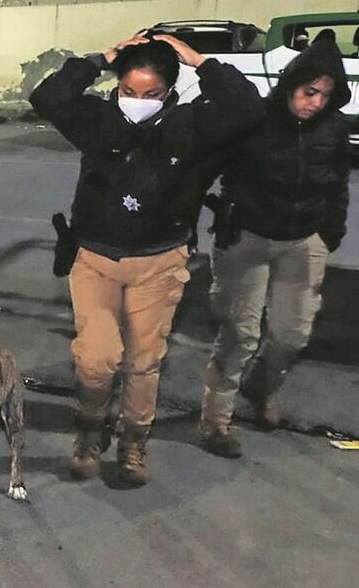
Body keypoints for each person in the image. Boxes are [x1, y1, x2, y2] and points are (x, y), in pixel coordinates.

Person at [30, 33, 263, 487]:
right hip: (94, 258)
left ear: (171, 91)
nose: (138, 102)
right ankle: (88, 433)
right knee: (97, 360)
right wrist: (102, 58)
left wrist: (199, 60)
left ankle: (132, 443)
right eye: (128, 92)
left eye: (151, 94)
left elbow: (248, 109)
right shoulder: (96, 120)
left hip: (160, 262)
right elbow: (48, 96)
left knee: (142, 362)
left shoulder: (194, 126)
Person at [199, 40, 351, 458]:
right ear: (290, 85)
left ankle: (260, 387)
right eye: (309, 91)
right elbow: (208, 165)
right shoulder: (254, 121)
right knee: (239, 334)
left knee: (292, 334)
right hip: (246, 239)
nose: (315, 103)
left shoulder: (334, 129)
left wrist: (328, 235)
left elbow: (338, 185)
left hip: (303, 242)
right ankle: (216, 422)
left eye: (325, 95)